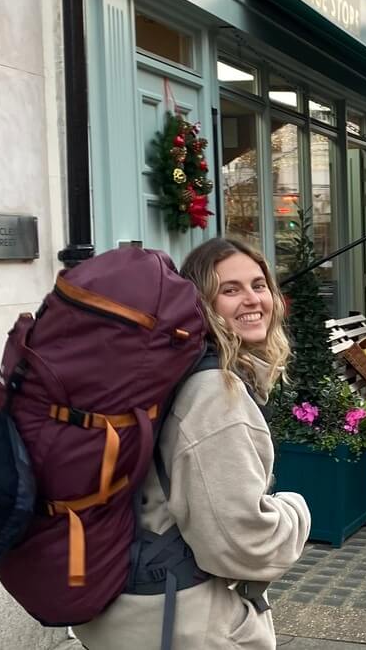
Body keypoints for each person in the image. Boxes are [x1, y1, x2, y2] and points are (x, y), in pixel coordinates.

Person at [74, 238, 311, 650]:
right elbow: (241, 543)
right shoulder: (215, 394)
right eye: (230, 290)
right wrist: (296, 512)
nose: (253, 299)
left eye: (259, 285)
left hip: (132, 606)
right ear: (200, 303)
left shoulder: (173, 371)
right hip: (182, 620)